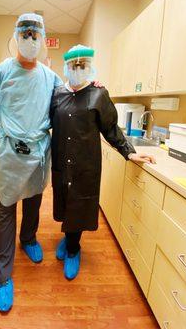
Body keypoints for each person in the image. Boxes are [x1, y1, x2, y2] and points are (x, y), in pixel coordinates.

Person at [0, 13, 63, 312]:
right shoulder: (3, 71)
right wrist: (2, 134)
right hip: (9, 153)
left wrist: (92, 89)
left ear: (41, 39)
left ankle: (28, 239)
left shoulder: (50, 77)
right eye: (25, 33)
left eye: (35, 34)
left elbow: (67, 103)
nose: (30, 39)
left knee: (33, 201)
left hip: (38, 152)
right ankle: (2, 276)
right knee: (5, 210)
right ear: (16, 36)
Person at [50, 44, 156, 280]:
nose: (78, 69)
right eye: (73, 65)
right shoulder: (57, 94)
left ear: (90, 66)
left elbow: (110, 128)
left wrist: (129, 152)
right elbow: (45, 122)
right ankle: (68, 237)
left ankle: (73, 249)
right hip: (61, 161)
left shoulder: (98, 94)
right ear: (66, 66)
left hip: (84, 164)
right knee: (64, 201)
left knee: (79, 203)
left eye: (82, 65)